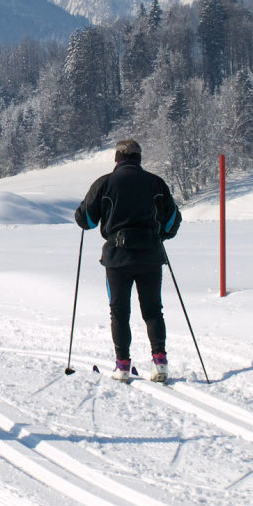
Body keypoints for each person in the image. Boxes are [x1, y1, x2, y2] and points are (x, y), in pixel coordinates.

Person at [74, 139, 181, 382]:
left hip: (117, 258)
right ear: (139, 158)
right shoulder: (156, 183)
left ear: (117, 158)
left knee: (119, 312)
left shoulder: (105, 183)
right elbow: (173, 220)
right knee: (153, 310)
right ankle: (160, 362)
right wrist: (159, 235)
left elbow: (86, 220)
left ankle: (122, 366)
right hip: (151, 256)